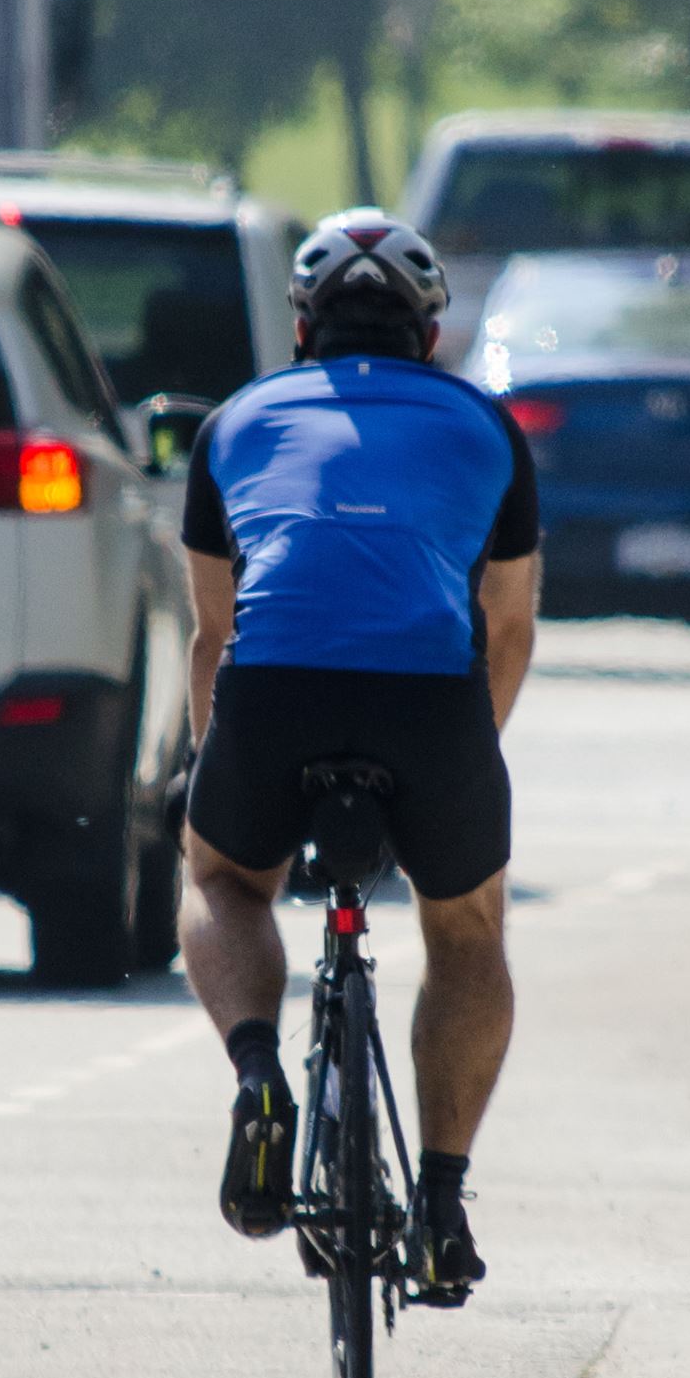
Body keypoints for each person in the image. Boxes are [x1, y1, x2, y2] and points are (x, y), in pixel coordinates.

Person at [177, 207, 541, 1306]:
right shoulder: (486, 428)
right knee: (467, 928)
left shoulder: (234, 423)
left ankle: (256, 1077)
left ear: (301, 326)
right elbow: (508, 624)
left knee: (220, 878)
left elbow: (212, 631)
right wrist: (463, 753)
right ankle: (438, 1201)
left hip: (274, 685)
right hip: (432, 700)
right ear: (429, 335)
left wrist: (222, 778)